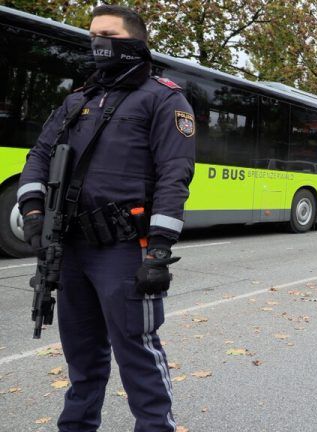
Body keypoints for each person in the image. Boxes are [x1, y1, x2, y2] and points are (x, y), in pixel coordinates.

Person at [17, 5, 195, 431]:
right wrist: (34, 213)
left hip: (124, 250)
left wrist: (159, 250)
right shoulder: (76, 100)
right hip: (71, 249)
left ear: (133, 42)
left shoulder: (164, 98)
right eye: (92, 35)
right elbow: (39, 156)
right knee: (82, 357)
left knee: (137, 353)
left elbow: (175, 174)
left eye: (107, 35)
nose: (97, 43)